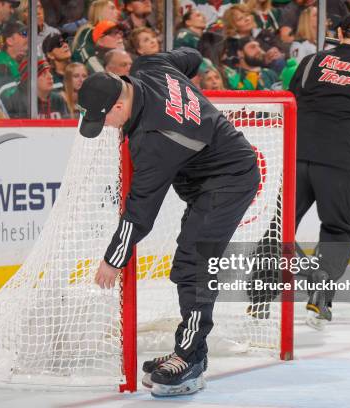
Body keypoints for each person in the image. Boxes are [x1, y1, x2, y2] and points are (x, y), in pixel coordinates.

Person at [81, 47, 260, 397]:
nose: (104, 127)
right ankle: (190, 347)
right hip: (209, 176)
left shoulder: (154, 139)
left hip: (230, 179)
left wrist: (113, 259)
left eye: (103, 119)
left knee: (194, 263)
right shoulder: (151, 65)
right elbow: (192, 57)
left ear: (119, 106)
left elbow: (140, 212)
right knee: (187, 262)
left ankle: (190, 357)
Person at [289, 12, 350, 329]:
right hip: (339, 160)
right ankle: (321, 294)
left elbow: (290, 102)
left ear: (338, 32)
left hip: (297, 154)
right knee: (338, 230)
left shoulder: (310, 63)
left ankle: (258, 298)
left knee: (279, 228)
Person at [3, 58, 69, 118]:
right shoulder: (15, 102)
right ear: (30, 79)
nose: (50, 76)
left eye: (50, 72)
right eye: (43, 74)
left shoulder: (58, 99)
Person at [0, 21, 28, 99]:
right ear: (10, 41)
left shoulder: (19, 62)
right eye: (24, 33)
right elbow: (7, 97)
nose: (28, 37)